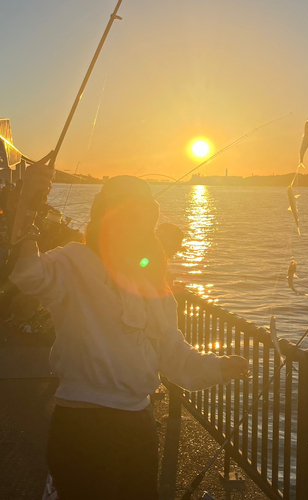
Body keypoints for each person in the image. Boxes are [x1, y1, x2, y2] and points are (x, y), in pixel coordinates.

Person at [10, 153, 248, 500]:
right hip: (80, 424)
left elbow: (172, 351)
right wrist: (27, 204)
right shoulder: (71, 260)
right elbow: (27, 274)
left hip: (138, 424)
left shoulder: (149, 279)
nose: (130, 223)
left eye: (141, 216)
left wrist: (216, 367)